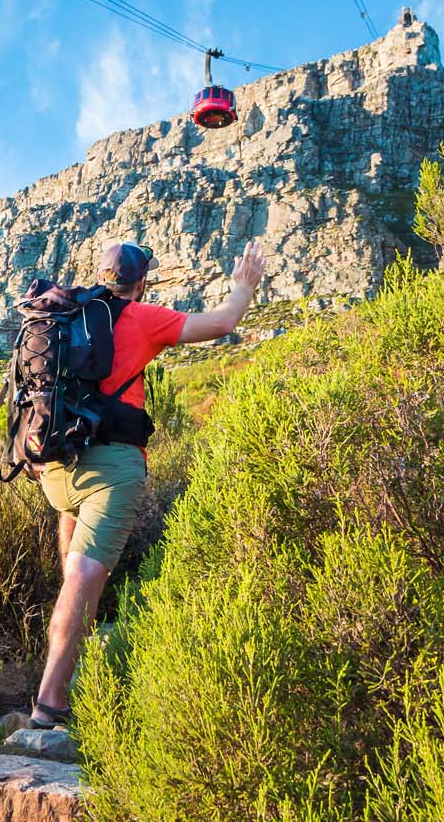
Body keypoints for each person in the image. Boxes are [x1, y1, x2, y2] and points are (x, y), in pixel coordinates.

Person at [29, 238, 266, 729]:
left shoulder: (67, 312)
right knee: (84, 577)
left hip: (56, 466)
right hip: (109, 469)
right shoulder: (140, 316)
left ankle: (75, 663)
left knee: (75, 567)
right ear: (140, 282)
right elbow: (223, 323)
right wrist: (244, 286)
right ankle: (50, 703)